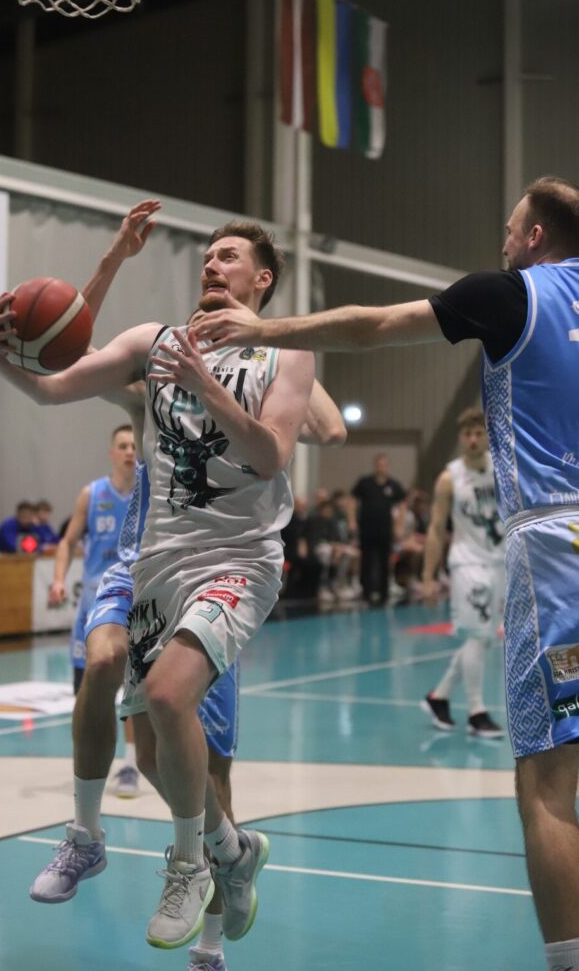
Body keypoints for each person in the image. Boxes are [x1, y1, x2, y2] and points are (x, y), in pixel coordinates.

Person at [193, 175, 579, 971]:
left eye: (511, 229)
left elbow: (372, 326)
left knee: (547, 785)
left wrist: (262, 328)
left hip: (554, 544)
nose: (504, 241)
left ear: (535, 237)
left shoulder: (510, 294)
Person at [0, 200, 316, 952]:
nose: (212, 263)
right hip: (157, 563)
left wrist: (207, 385)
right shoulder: (153, 343)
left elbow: (270, 457)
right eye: (208, 255)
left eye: (230, 256)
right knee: (154, 753)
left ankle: (190, 866)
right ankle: (232, 850)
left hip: (238, 558)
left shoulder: (286, 353)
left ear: (262, 279)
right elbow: (53, 383)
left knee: (167, 696)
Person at [51, 424, 140, 797]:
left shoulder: (150, 492)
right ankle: (89, 768)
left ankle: (130, 765)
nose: (130, 451)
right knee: (87, 691)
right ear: (111, 452)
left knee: (133, 687)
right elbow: (68, 540)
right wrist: (59, 579)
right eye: (122, 445)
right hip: (92, 602)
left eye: (134, 445)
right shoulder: (92, 494)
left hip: (134, 600)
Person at [421, 408, 505, 738]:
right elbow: (435, 529)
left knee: (482, 639)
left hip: (498, 562)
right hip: (467, 564)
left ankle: (439, 697)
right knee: (477, 636)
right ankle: (476, 711)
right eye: (467, 434)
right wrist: (428, 577)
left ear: (487, 436)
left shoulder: (502, 469)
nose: (473, 440)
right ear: (460, 438)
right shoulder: (449, 478)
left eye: (479, 433)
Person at [350, 454, 406, 605]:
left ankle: (384, 592)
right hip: (367, 528)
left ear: (387, 466)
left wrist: (399, 526)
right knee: (366, 560)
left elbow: (402, 504)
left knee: (384, 560)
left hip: (385, 529)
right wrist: (352, 520)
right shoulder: (365, 483)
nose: (381, 467)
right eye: (379, 464)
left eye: (384, 465)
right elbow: (352, 500)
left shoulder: (393, 485)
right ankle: (366, 592)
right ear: (375, 465)